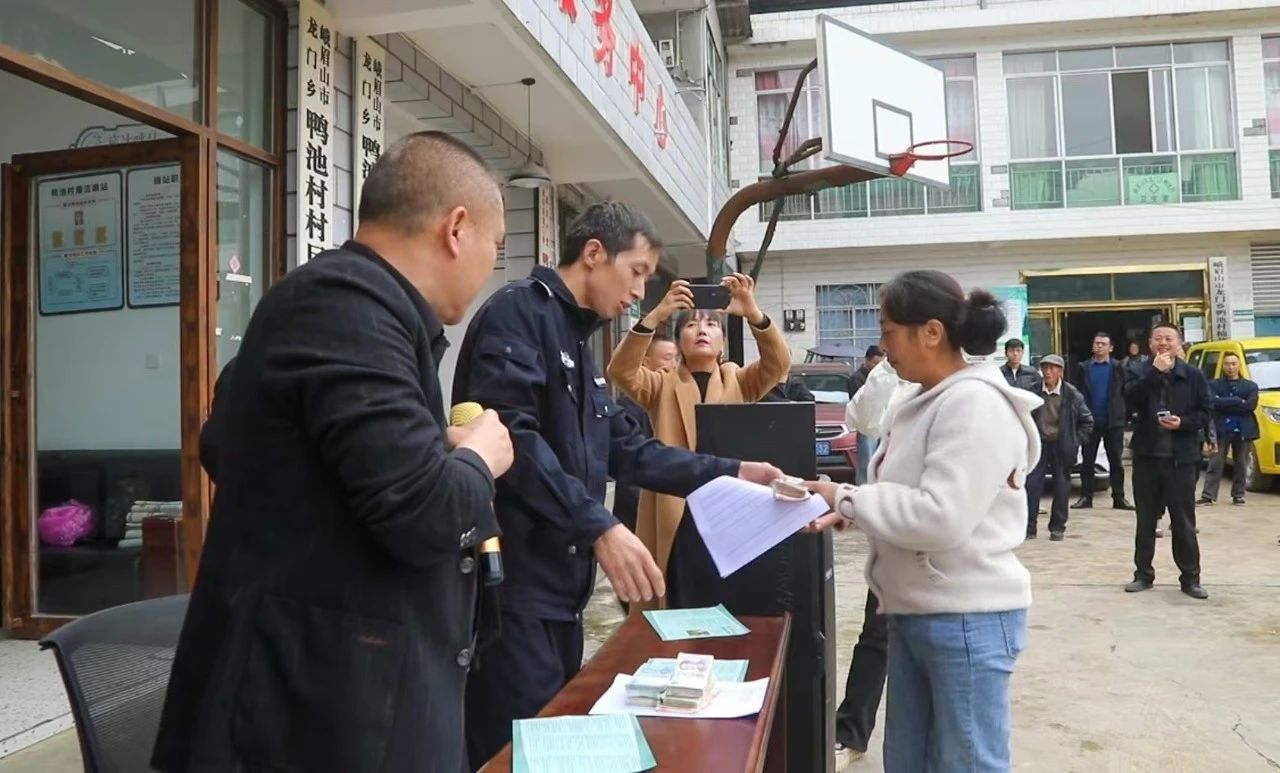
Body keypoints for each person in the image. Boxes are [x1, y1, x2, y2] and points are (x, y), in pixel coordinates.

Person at [152, 132, 515, 773]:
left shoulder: (348, 307)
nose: (493, 266)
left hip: (337, 696)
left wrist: (433, 448)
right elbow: (422, 513)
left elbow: (251, 447)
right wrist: (479, 457)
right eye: (498, 245)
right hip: (315, 717)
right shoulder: (345, 306)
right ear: (457, 228)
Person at [453, 201, 783, 769]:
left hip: (561, 594)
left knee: (549, 744)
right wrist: (601, 527)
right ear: (593, 253)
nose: (638, 291)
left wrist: (733, 473)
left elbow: (629, 450)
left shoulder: (578, 341)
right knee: (515, 752)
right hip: (512, 590)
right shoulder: (519, 315)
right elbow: (513, 439)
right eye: (636, 272)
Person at [808, 270, 1041, 772]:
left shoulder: (973, 403)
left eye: (889, 331)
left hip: (966, 618)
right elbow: (912, 495)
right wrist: (856, 512)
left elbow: (940, 516)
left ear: (931, 332)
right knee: (908, 760)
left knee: (967, 763)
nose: (883, 346)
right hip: (916, 611)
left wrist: (848, 498)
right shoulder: (925, 398)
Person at [607, 275, 791, 610]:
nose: (702, 330)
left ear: (722, 342)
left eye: (711, 324)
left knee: (728, 597)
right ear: (679, 342)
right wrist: (657, 314)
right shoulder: (660, 385)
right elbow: (621, 370)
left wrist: (753, 313)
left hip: (728, 504)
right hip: (673, 505)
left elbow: (778, 365)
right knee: (674, 597)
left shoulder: (739, 379)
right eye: (691, 324)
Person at [832, 357, 914, 771]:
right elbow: (861, 418)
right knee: (876, 636)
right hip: (892, 536)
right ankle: (850, 733)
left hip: (944, 548)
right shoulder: (897, 379)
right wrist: (888, 368)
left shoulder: (962, 387)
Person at [1124, 323, 1211, 600]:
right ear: (1150, 344)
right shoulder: (1139, 371)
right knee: (1145, 520)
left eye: (1169, 338)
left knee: (1183, 522)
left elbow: (1206, 412)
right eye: (1158, 338)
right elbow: (1128, 400)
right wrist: (1155, 373)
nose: (1163, 343)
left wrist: (1183, 422)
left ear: (1179, 343)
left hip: (1181, 459)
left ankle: (1190, 579)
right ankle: (1143, 574)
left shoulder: (1194, 375)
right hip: (1147, 457)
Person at [612, 334, 678, 534]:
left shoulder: (679, 402)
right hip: (637, 511)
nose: (674, 365)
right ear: (645, 362)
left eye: (677, 358)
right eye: (668, 358)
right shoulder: (627, 407)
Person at [1027, 355, 1093, 541]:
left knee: (1062, 487)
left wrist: (1074, 440)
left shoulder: (1072, 394)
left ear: (1060, 372)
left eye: (1052, 368)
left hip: (1061, 445)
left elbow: (1087, 421)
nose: (1048, 372)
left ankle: (1057, 527)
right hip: (1038, 444)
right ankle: (1029, 527)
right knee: (1032, 485)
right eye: (1045, 368)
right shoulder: (1033, 391)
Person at [1074, 332, 1134, 511]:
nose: (1099, 346)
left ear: (1111, 348)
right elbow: (1077, 393)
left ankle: (1119, 497)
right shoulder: (1083, 367)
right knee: (1087, 461)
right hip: (1090, 422)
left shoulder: (1118, 367)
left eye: (1103, 343)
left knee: (1116, 461)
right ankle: (1086, 497)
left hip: (1113, 421)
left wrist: (1125, 414)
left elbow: (1126, 392)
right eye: (1097, 343)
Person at [1200, 352, 1259, 507]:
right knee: (1215, 463)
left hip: (1243, 429)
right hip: (1221, 429)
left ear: (1239, 365)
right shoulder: (1214, 385)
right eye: (1227, 364)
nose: (1230, 367)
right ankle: (1208, 496)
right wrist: (1238, 400)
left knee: (1241, 464)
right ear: (1222, 366)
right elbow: (1212, 403)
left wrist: (1224, 402)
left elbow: (1250, 406)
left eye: (1233, 364)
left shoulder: (1250, 386)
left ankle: (1238, 495)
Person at [849, 345, 885, 484]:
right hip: (866, 426)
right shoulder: (857, 378)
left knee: (879, 462)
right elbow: (861, 403)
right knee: (866, 462)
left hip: (879, 423)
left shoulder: (881, 377)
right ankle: (863, 487)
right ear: (867, 360)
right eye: (875, 363)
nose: (877, 367)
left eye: (880, 363)